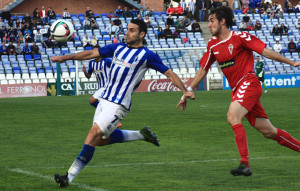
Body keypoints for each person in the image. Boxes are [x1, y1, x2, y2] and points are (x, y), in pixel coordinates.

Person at [52, 19, 195, 187]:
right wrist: (66, 58)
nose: (127, 33)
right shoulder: (117, 48)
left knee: (92, 134)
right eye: (127, 30)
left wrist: (184, 91)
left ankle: (68, 177)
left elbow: (169, 73)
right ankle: (141, 135)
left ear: (142, 34)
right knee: (100, 140)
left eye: (132, 30)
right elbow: (92, 53)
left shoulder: (147, 55)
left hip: (118, 105)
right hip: (104, 100)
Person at [177, 6, 300, 177]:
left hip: (249, 82)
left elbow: (264, 51)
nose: (209, 25)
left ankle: (244, 164)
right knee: (268, 131)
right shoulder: (213, 45)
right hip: (237, 90)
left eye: (212, 20)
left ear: (223, 21)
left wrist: (291, 63)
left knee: (232, 116)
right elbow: (203, 70)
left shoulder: (241, 37)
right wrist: (187, 91)